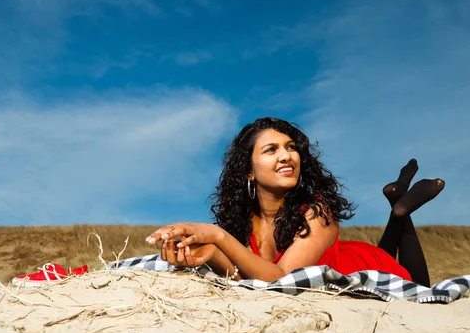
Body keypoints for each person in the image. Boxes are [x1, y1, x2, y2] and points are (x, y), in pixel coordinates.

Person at [146, 118, 444, 287]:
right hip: (346, 255)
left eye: (290, 148)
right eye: (271, 150)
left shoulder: (318, 212)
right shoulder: (238, 214)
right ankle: (396, 205)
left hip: (363, 266)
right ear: (249, 170)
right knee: (388, 249)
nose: (286, 156)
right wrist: (210, 253)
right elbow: (245, 271)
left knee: (421, 286)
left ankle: (401, 213)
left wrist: (219, 237)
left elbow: (279, 280)